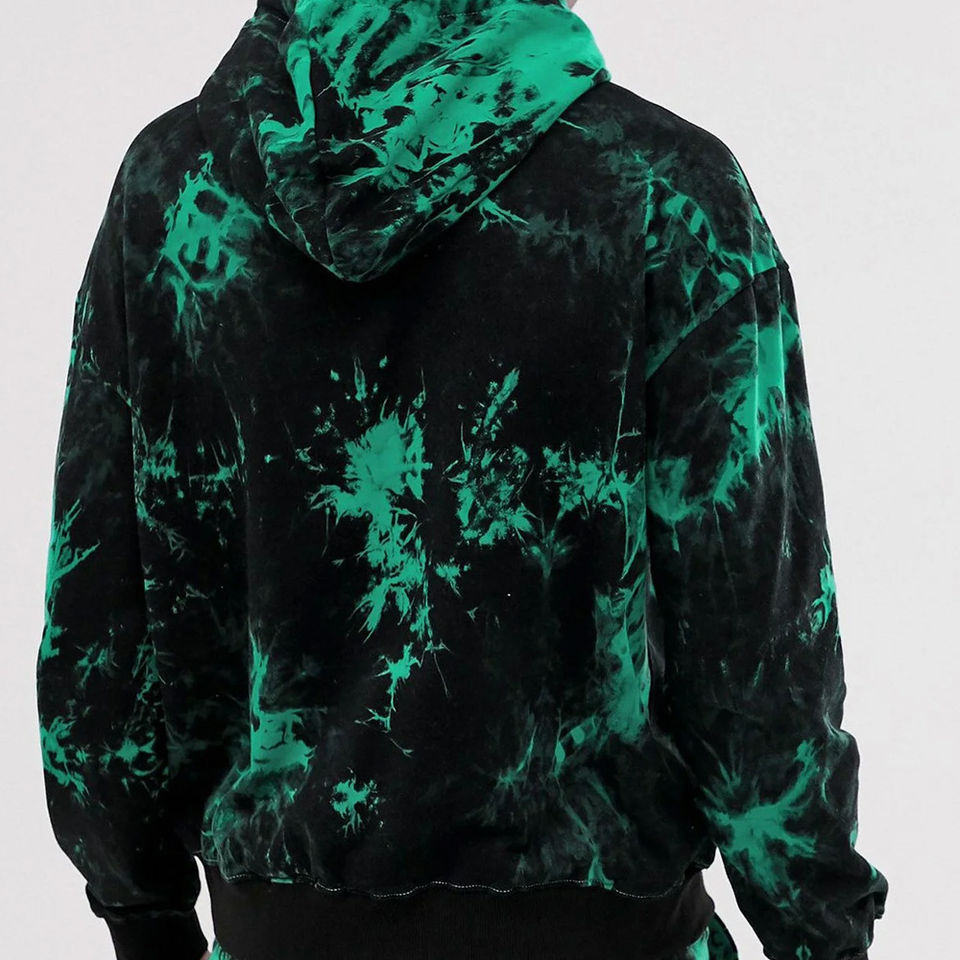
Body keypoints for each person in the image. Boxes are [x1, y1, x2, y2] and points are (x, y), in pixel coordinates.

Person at [35, 1, 889, 958]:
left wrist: (143, 912)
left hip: (278, 929)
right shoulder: (664, 192)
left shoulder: (171, 197)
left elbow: (102, 622)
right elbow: (757, 653)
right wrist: (821, 932)